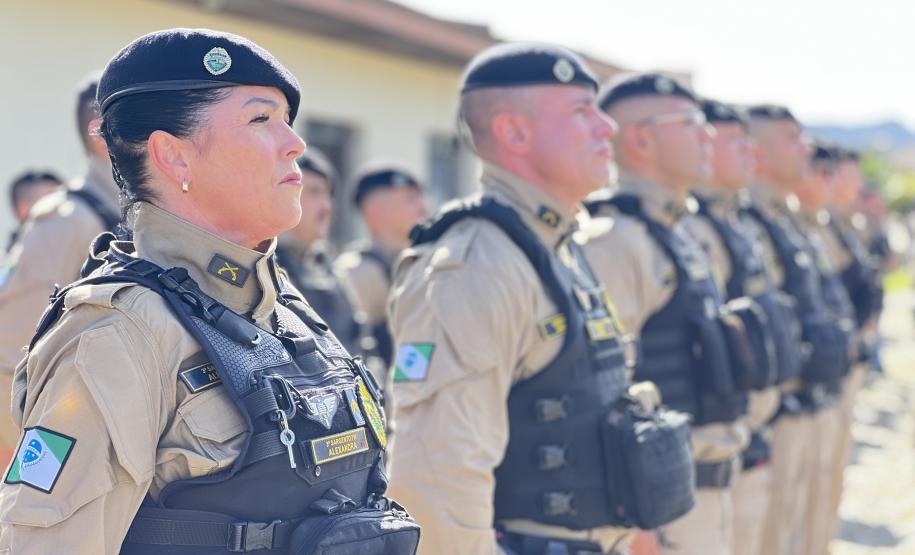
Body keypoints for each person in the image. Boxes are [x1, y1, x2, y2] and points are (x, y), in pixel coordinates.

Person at [0, 28, 418, 555]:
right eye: (261, 119)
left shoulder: (282, 304)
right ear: (174, 158)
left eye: (288, 121)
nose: (296, 144)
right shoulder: (118, 330)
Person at [388, 44, 694, 555]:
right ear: (515, 133)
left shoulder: (559, 245)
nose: (606, 128)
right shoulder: (474, 264)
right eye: (581, 111)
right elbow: (438, 472)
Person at [582, 75, 749, 555]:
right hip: (662, 505)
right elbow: (605, 389)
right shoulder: (615, 239)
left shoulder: (676, 231)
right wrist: (639, 518)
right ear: (641, 138)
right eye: (692, 124)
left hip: (703, 490)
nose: (708, 136)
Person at [680, 98, 804, 555]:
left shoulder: (735, 224)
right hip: (702, 455)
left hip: (747, 436)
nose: (750, 156)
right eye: (736, 144)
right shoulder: (688, 231)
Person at [742, 105, 850, 555]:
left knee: (800, 526)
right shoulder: (748, 224)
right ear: (757, 153)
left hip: (808, 397)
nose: (806, 149)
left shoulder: (786, 222)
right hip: (774, 411)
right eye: (792, 139)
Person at [0, 74, 121, 461]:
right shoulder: (67, 219)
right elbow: (10, 356)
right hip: (61, 438)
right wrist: (46, 459)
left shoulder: (133, 215)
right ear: (100, 131)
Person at [789, 142, 859, 555]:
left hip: (820, 385)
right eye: (821, 171)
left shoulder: (816, 228)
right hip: (783, 403)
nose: (826, 182)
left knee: (812, 506)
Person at [276, 148, 367, 355]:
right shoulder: (265, 266)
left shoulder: (327, 266)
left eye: (329, 195)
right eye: (314, 192)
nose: (327, 206)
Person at [335, 164, 428, 366]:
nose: (424, 208)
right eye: (410, 199)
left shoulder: (418, 265)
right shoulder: (358, 272)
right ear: (375, 211)